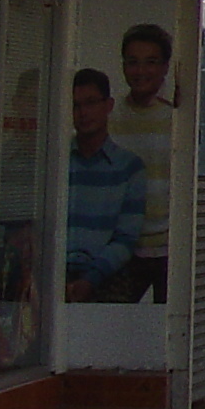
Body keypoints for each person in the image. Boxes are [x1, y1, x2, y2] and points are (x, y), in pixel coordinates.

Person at [65, 69, 146, 302]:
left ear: (108, 105)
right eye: (76, 105)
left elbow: (126, 239)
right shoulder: (57, 161)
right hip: (53, 272)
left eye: (91, 103)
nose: (83, 113)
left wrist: (91, 279)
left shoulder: (129, 167)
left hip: (106, 275)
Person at [110, 23, 176, 303]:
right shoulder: (109, 118)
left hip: (170, 250)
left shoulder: (178, 119)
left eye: (151, 62)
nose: (141, 71)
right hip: (121, 249)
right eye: (133, 63)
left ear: (165, 67)